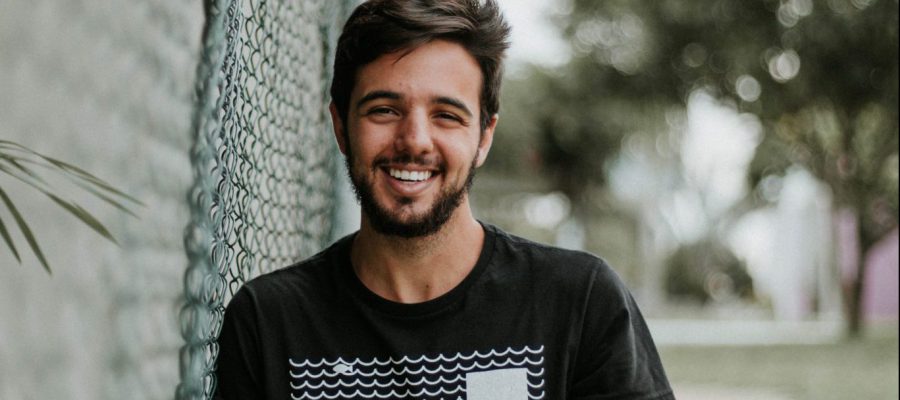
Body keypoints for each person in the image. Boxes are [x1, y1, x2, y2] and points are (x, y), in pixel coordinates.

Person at [215, 0, 674, 399]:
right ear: (340, 126)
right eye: (384, 110)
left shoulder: (579, 302)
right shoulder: (269, 321)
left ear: (484, 137)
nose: (414, 140)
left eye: (446, 115)